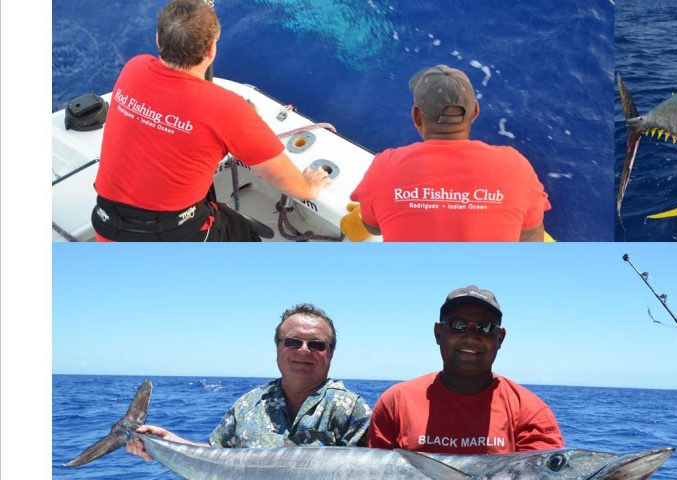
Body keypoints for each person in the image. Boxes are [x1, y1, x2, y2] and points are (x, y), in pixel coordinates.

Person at [91, 0, 330, 242]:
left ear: (158, 40)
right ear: (211, 51)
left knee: (226, 219)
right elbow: (280, 177)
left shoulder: (134, 68)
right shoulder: (228, 109)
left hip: (107, 226)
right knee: (247, 241)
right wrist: (309, 188)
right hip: (170, 238)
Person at [125, 304, 370, 459]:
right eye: (293, 342)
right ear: (278, 347)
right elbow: (217, 456)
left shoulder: (351, 409)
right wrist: (168, 441)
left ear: (330, 353)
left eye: (316, 344)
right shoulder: (248, 404)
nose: (304, 351)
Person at [345, 65, 550, 242]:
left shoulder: (385, 166)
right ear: (475, 111)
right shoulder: (516, 166)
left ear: (416, 116)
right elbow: (532, 237)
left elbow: (373, 227)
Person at [366, 285, 564, 453]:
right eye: (458, 325)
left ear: (500, 338)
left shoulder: (530, 412)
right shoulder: (395, 403)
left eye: (485, 327)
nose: (471, 337)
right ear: (438, 332)